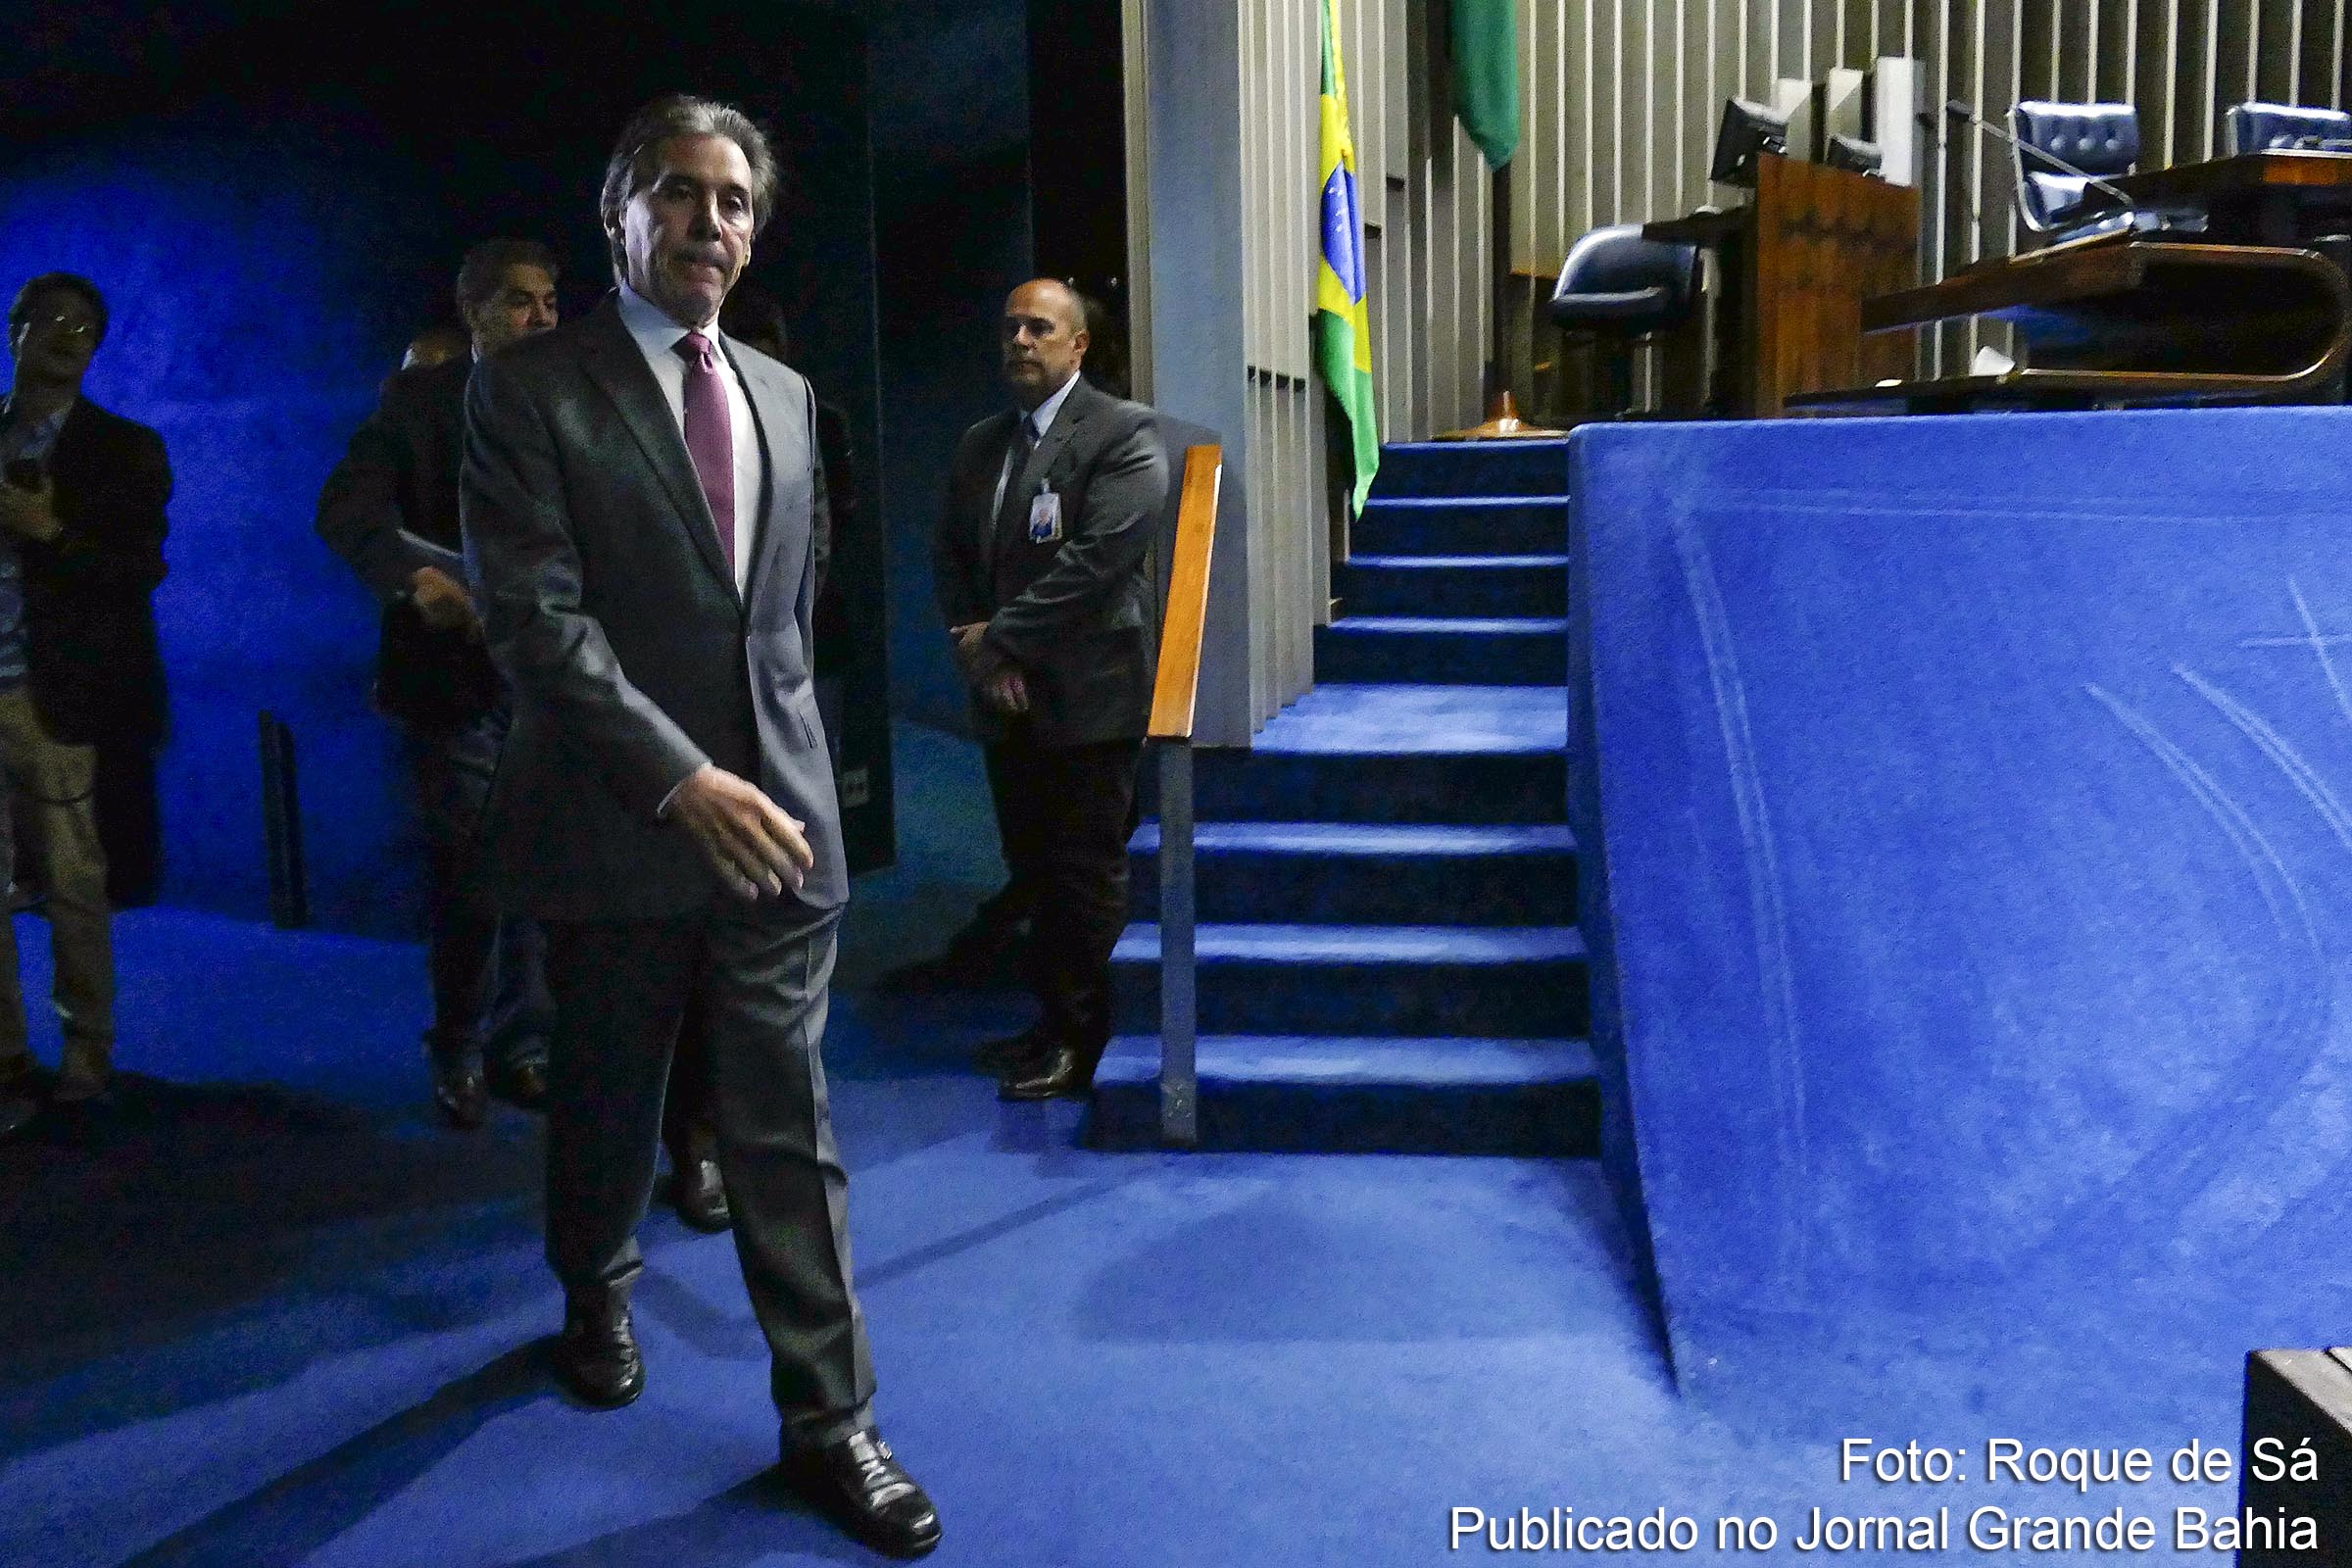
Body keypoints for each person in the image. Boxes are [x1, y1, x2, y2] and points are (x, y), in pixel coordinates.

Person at [461, 95, 937, 1558]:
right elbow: (537, 622)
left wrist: (796, 780)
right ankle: (595, 1283)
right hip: (621, 822)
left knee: (785, 1125)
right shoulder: (529, 388)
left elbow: (785, 621)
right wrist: (679, 776)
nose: (708, 223)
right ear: (620, 212)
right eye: (675, 194)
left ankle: (831, 1420)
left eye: (732, 200)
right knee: (608, 1100)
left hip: (780, 831)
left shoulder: (787, 395)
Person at [318, 239, 564, 1130]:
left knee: (539, 866)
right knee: (475, 873)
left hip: (553, 678)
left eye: (548, 301)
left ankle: (524, 1042)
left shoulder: (577, 403)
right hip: (457, 681)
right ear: (475, 313)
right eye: (519, 301)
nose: (540, 316)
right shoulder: (418, 402)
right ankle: (459, 1044)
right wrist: (410, 579)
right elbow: (345, 510)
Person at [930, 277, 1168, 1101]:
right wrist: (987, 659)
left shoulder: (1123, 433)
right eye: (1010, 328)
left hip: (1089, 699)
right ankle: (1050, 1024)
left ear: (1078, 346)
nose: (1021, 341)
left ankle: (1090, 1041)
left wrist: (999, 641)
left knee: (1083, 876)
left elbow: (1096, 565)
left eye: (1040, 328)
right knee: (1029, 868)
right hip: (1008, 699)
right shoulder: (979, 444)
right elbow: (953, 559)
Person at [0, 273, 171, 1138]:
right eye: (54, 320)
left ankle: (86, 1048)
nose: (70, 334)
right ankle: (4, 1059)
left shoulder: (123, 448)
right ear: (16, 328)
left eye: (87, 325)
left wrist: (49, 533)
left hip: (48, 693)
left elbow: (138, 571)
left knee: (71, 879)